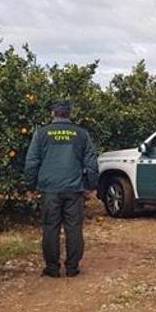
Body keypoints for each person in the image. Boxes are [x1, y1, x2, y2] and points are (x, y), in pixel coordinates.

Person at [24, 100, 99, 277]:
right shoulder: (81, 134)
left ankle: (52, 268)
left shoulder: (41, 134)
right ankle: (72, 268)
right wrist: (90, 186)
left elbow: (32, 162)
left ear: (53, 114)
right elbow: (91, 163)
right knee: (74, 228)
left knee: (50, 227)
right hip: (74, 189)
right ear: (69, 114)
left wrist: (30, 186)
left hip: (50, 189)